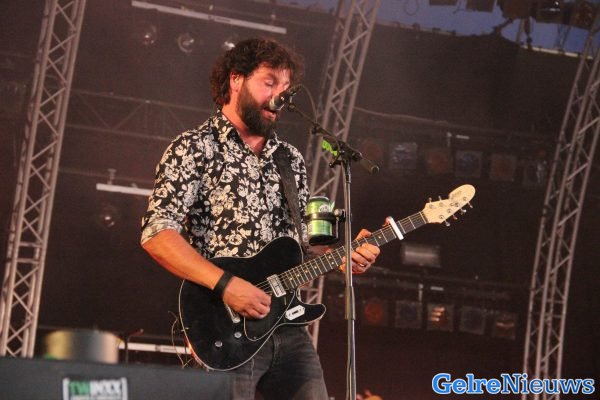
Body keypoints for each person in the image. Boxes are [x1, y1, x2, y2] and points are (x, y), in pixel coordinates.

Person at [140, 37, 380, 400]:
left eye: (285, 87)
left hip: (288, 326)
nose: (279, 96)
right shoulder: (194, 148)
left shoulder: (290, 159)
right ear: (236, 79)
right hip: (224, 327)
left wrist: (344, 255)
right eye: (269, 82)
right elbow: (157, 233)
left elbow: (299, 248)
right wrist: (226, 285)